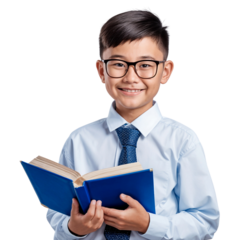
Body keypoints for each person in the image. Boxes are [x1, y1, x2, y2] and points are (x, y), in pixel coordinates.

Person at [45, 5, 220, 240]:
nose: (131, 77)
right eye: (118, 64)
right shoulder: (79, 139)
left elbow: (205, 220)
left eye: (145, 65)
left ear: (166, 71)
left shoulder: (183, 140)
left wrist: (149, 224)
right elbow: (57, 213)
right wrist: (74, 228)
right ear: (100, 71)